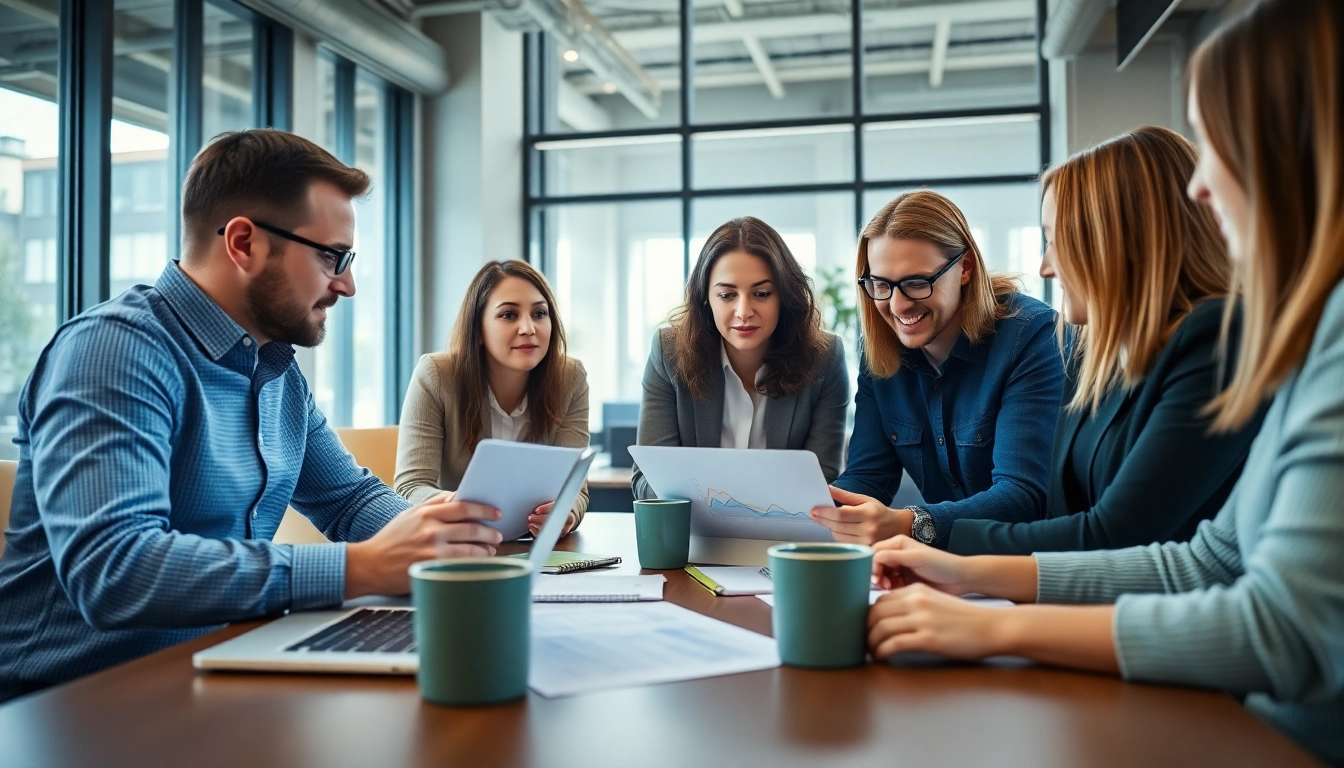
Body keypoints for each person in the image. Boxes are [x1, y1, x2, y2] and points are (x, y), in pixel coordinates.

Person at [864, 0, 1344, 762]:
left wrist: (991, 622)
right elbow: (1207, 561)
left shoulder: (1242, 337)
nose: (1200, 188)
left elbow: (1281, 628)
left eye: (1219, 146)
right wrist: (956, 569)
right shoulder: (1288, 334)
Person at [0, 129, 502, 702]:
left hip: (213, 672)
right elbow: (116, 570)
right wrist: (359, 568)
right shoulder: (114, 350)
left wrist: (445, 534)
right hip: (67, 702)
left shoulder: (276, 369)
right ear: (243, 243)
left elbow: (348, 500)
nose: (347, 285)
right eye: (332, 256)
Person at [945, 126, 1266, 555]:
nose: (1045, 267)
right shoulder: (1089, 351)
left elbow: (1116, 535)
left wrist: (933, 540)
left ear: (1122, 240)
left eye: (1058, 241)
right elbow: (1060, 517)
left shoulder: (1218, 340)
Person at [812, 191, 1064, 548]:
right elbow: (867, 479)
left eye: (917, 283)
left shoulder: (1031, 336)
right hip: (940, 566)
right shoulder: (881, 351)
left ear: (965, 268)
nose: (897, 306)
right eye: (881, 285)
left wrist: (909, 523)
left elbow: (1023, 496)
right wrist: (812, 513)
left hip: (1026, 563)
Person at [632, 216, 848, 499]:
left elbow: (824, 483)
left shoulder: (824, 358)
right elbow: (647, 481)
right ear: (705, 298)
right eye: (727, 295)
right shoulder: (669, 353)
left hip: (785, 527)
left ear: (784, 296)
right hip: (696, 527)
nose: (744, 312)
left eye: (762, 293)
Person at [395, 260, 590, 537]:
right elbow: (410, 487)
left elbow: (575, 488)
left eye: (539, 313)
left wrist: (565, 513)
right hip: (455, 543)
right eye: (509, 315)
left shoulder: (570, 379)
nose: (528, 328)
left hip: (533, 548)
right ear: (477, 330)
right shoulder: (436, 375)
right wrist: (461, 507)